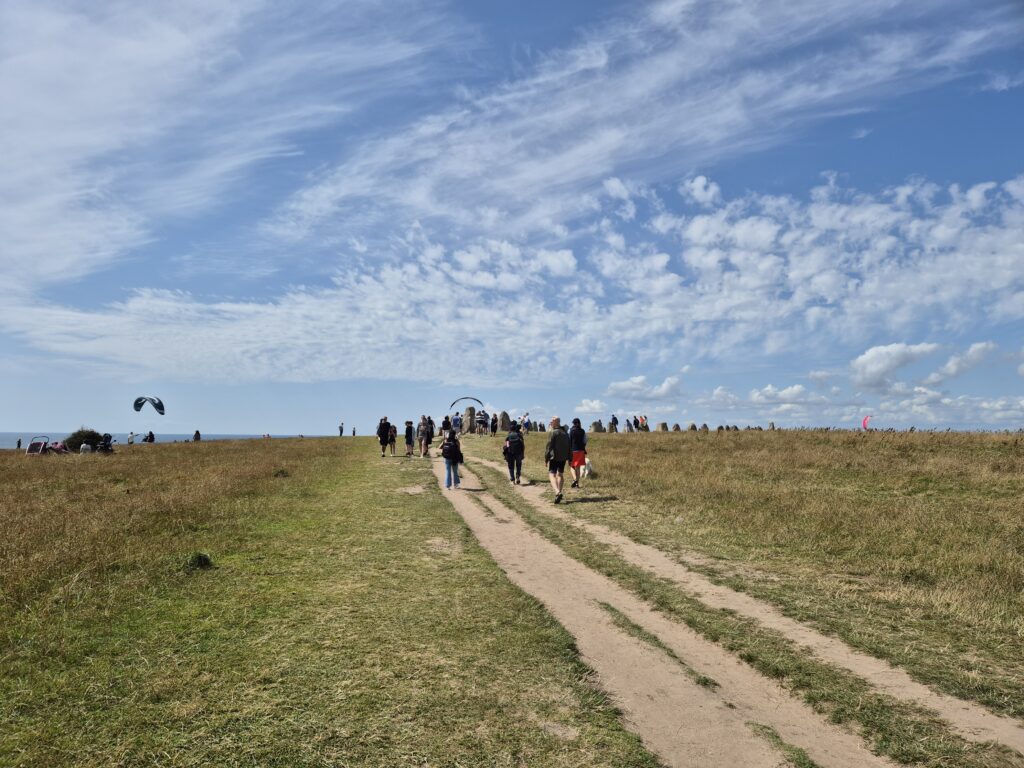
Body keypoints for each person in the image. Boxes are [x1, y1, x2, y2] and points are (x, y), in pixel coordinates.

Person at [544, 417, 571, 503]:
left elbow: (549, 446)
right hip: (563, 457)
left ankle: (557, 492)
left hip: (554, 457)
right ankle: (558, 494)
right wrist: (570, 458)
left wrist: (546, 458)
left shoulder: (553, 432)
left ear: (556, 422)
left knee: (552, 474)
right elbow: (569, 446)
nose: (550, 423)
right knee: (560, 474)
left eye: (552, 421)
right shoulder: (565, 433)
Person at [568, 418, 588, 488]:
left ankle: (575, 480)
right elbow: (585, 441)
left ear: (574, 424)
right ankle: (577, 483)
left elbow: (569, 441)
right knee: (578, 468)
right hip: (581, 451)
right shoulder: (583, 431)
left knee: (572, 466)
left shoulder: (571, 431)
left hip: (573, 451)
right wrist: (582, 446)